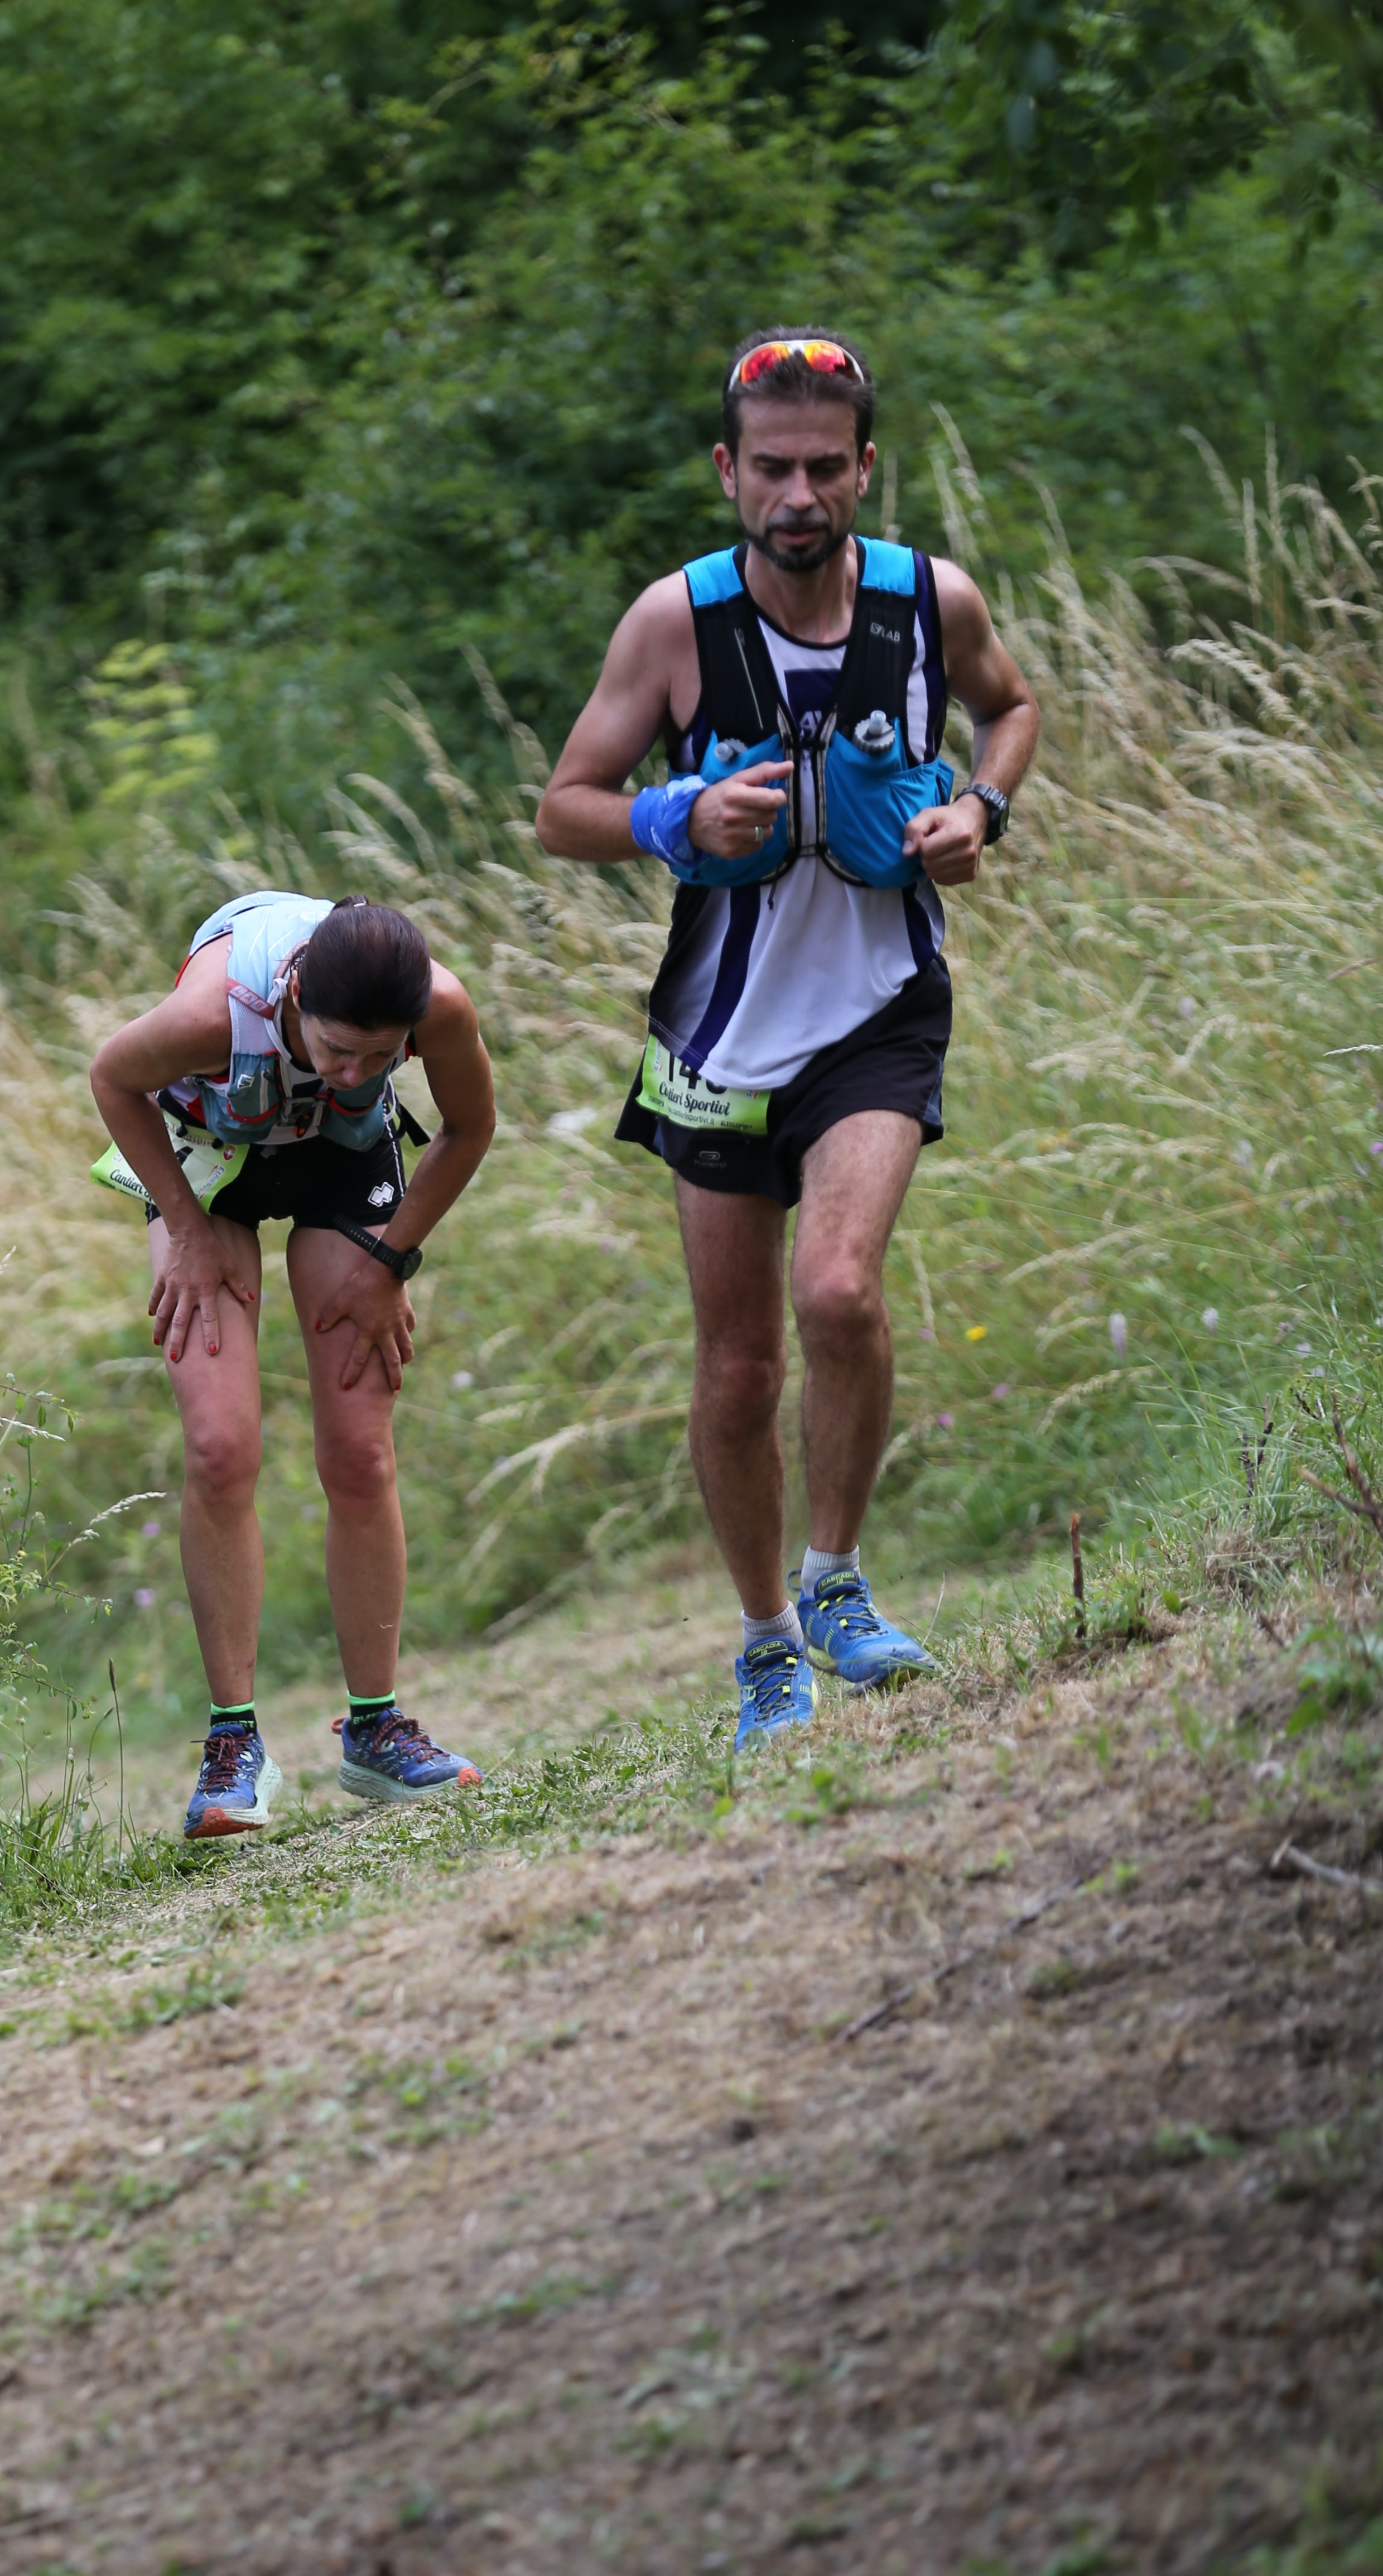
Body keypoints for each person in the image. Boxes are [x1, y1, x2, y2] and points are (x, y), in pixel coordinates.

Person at [535, 329, 1040, 1749]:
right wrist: (669, 820)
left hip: (880, 1012)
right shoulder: (672, 627)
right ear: (727, 474)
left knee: (840, 1294)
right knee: (741, 1363)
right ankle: (765, 1645)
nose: (800, 495)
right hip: (715, 1028)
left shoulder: (929, 602)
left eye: (827, 467)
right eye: (773, 470)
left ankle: (837, 1586)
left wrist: (981, 813)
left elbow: (1013, 710)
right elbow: (563, 805)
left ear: (866, 467)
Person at [89, 891, 497, 1835]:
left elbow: (472, 1129)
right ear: (297, 994)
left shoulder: (439, 1007)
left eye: (378, 1055)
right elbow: (112, 1079)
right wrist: (185, 1231)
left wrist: (393, 1260)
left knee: (359, 1450)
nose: (355, 1070)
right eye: (335, 1047)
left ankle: (377, 1733)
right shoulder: (210, 1012)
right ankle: (234, 1748)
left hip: (338, 1163)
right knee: (221, 1447)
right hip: (213, 1152)